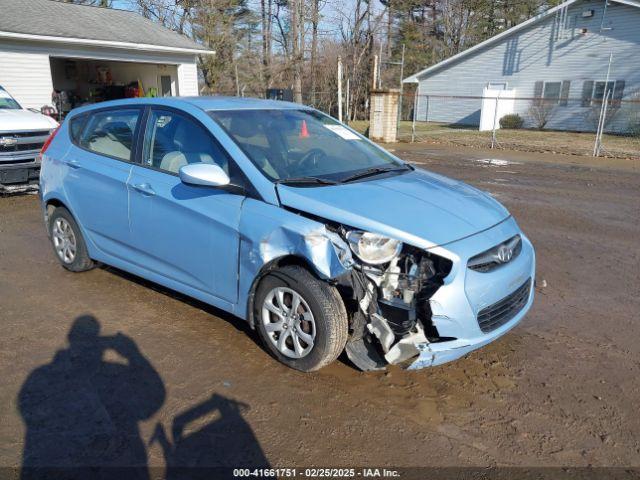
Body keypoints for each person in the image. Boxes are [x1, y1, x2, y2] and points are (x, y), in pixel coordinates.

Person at [18, 315, 165, 480]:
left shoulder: (40, 375)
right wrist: (134, 354)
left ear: (70, 339)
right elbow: (153, 400)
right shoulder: (116, 372)